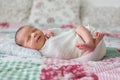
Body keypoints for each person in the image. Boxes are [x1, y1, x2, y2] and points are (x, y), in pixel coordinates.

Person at [15, 25, 106, 61]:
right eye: (29, 38)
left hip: (84, 37)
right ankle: (95, 44)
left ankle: (90, 42)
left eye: (34, 30)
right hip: (86, 53)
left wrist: (52, 33)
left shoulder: (50, 33)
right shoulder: (42, 54)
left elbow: (66, 33)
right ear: (26, 48)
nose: (34, 34)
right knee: (81, 60)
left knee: (79, 28)